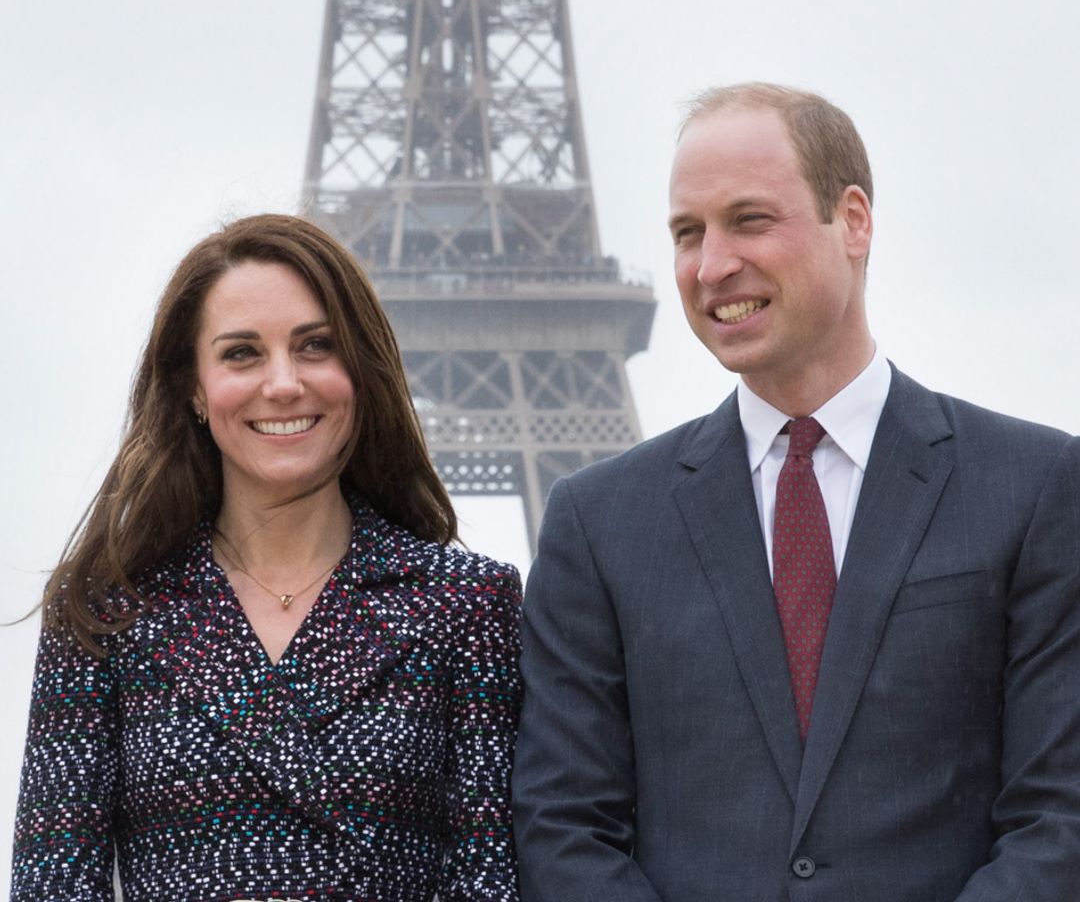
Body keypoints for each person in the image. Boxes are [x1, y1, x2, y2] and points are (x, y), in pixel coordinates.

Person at [512, 84, 1080, 900]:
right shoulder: (598, 524)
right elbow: (562, 825)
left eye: (749, 220)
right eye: (686, 233)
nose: (711, 266)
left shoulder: (1036, 488)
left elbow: (1061, 816)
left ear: (853, 220)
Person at [12, 214, 522, 901]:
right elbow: (53, 885)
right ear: (193, 388)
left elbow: (490, 878)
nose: (283, 384)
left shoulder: (468, 603)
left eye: (315, 346)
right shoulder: (103, 611)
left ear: (361, 372)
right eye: (241, 354)